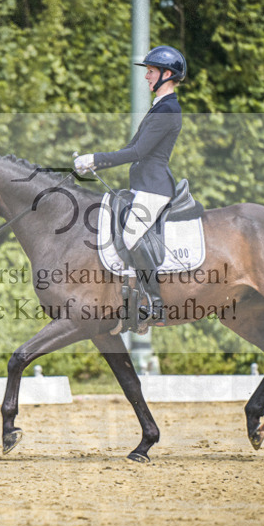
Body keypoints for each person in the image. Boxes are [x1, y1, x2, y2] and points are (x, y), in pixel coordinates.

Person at [74, 45, 186, 325]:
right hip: (142, 185)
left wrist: (95, 158)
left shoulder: (168, 109)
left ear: (167, 74)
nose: (147, 76)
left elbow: (138, 153)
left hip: (154, 188)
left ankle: (155, 304)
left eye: (151, 71)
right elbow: (131, 148)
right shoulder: (159, 107)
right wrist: (94, 164)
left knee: (131, 236)